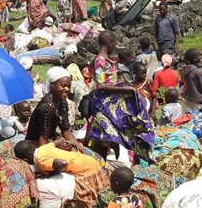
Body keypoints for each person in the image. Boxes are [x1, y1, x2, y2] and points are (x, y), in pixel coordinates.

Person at [84, 31, 154, 163]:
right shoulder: (99, 61)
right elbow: (101, 85)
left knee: (118, 134)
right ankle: (100, 164)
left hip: (112, 102)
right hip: (104, 105)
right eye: (115, 43)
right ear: (110, 43)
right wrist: (124, 88)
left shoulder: (108, 60)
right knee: (104, 138)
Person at [26, 67, 74, 146]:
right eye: (63, 86)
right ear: (52, 85)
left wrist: (81, 150)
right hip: (36, 144)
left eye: (68, 86)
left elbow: (66, 130)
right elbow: (43, 140)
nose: (67, 89)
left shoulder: (62, 102)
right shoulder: (47, 107)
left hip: (51, 142)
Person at [14, 139, 101, 178]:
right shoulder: (42, 148)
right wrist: (61, 150)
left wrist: (50, 175)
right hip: (88, 160)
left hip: (85, 170)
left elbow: (62, 163)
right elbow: (60, 140)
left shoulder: (40, 160)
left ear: (25, 160)